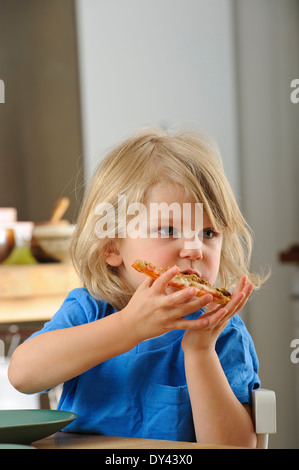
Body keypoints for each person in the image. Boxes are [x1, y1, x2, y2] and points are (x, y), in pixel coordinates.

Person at [8, 127, 267, 447]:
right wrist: (129, 326)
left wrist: (200, 353)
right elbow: (22, 375)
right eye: (169, 229)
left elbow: (236, 446)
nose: (194, 249)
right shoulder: (89, 310)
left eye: (209, 233)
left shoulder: (221, 333)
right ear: (113, 247)